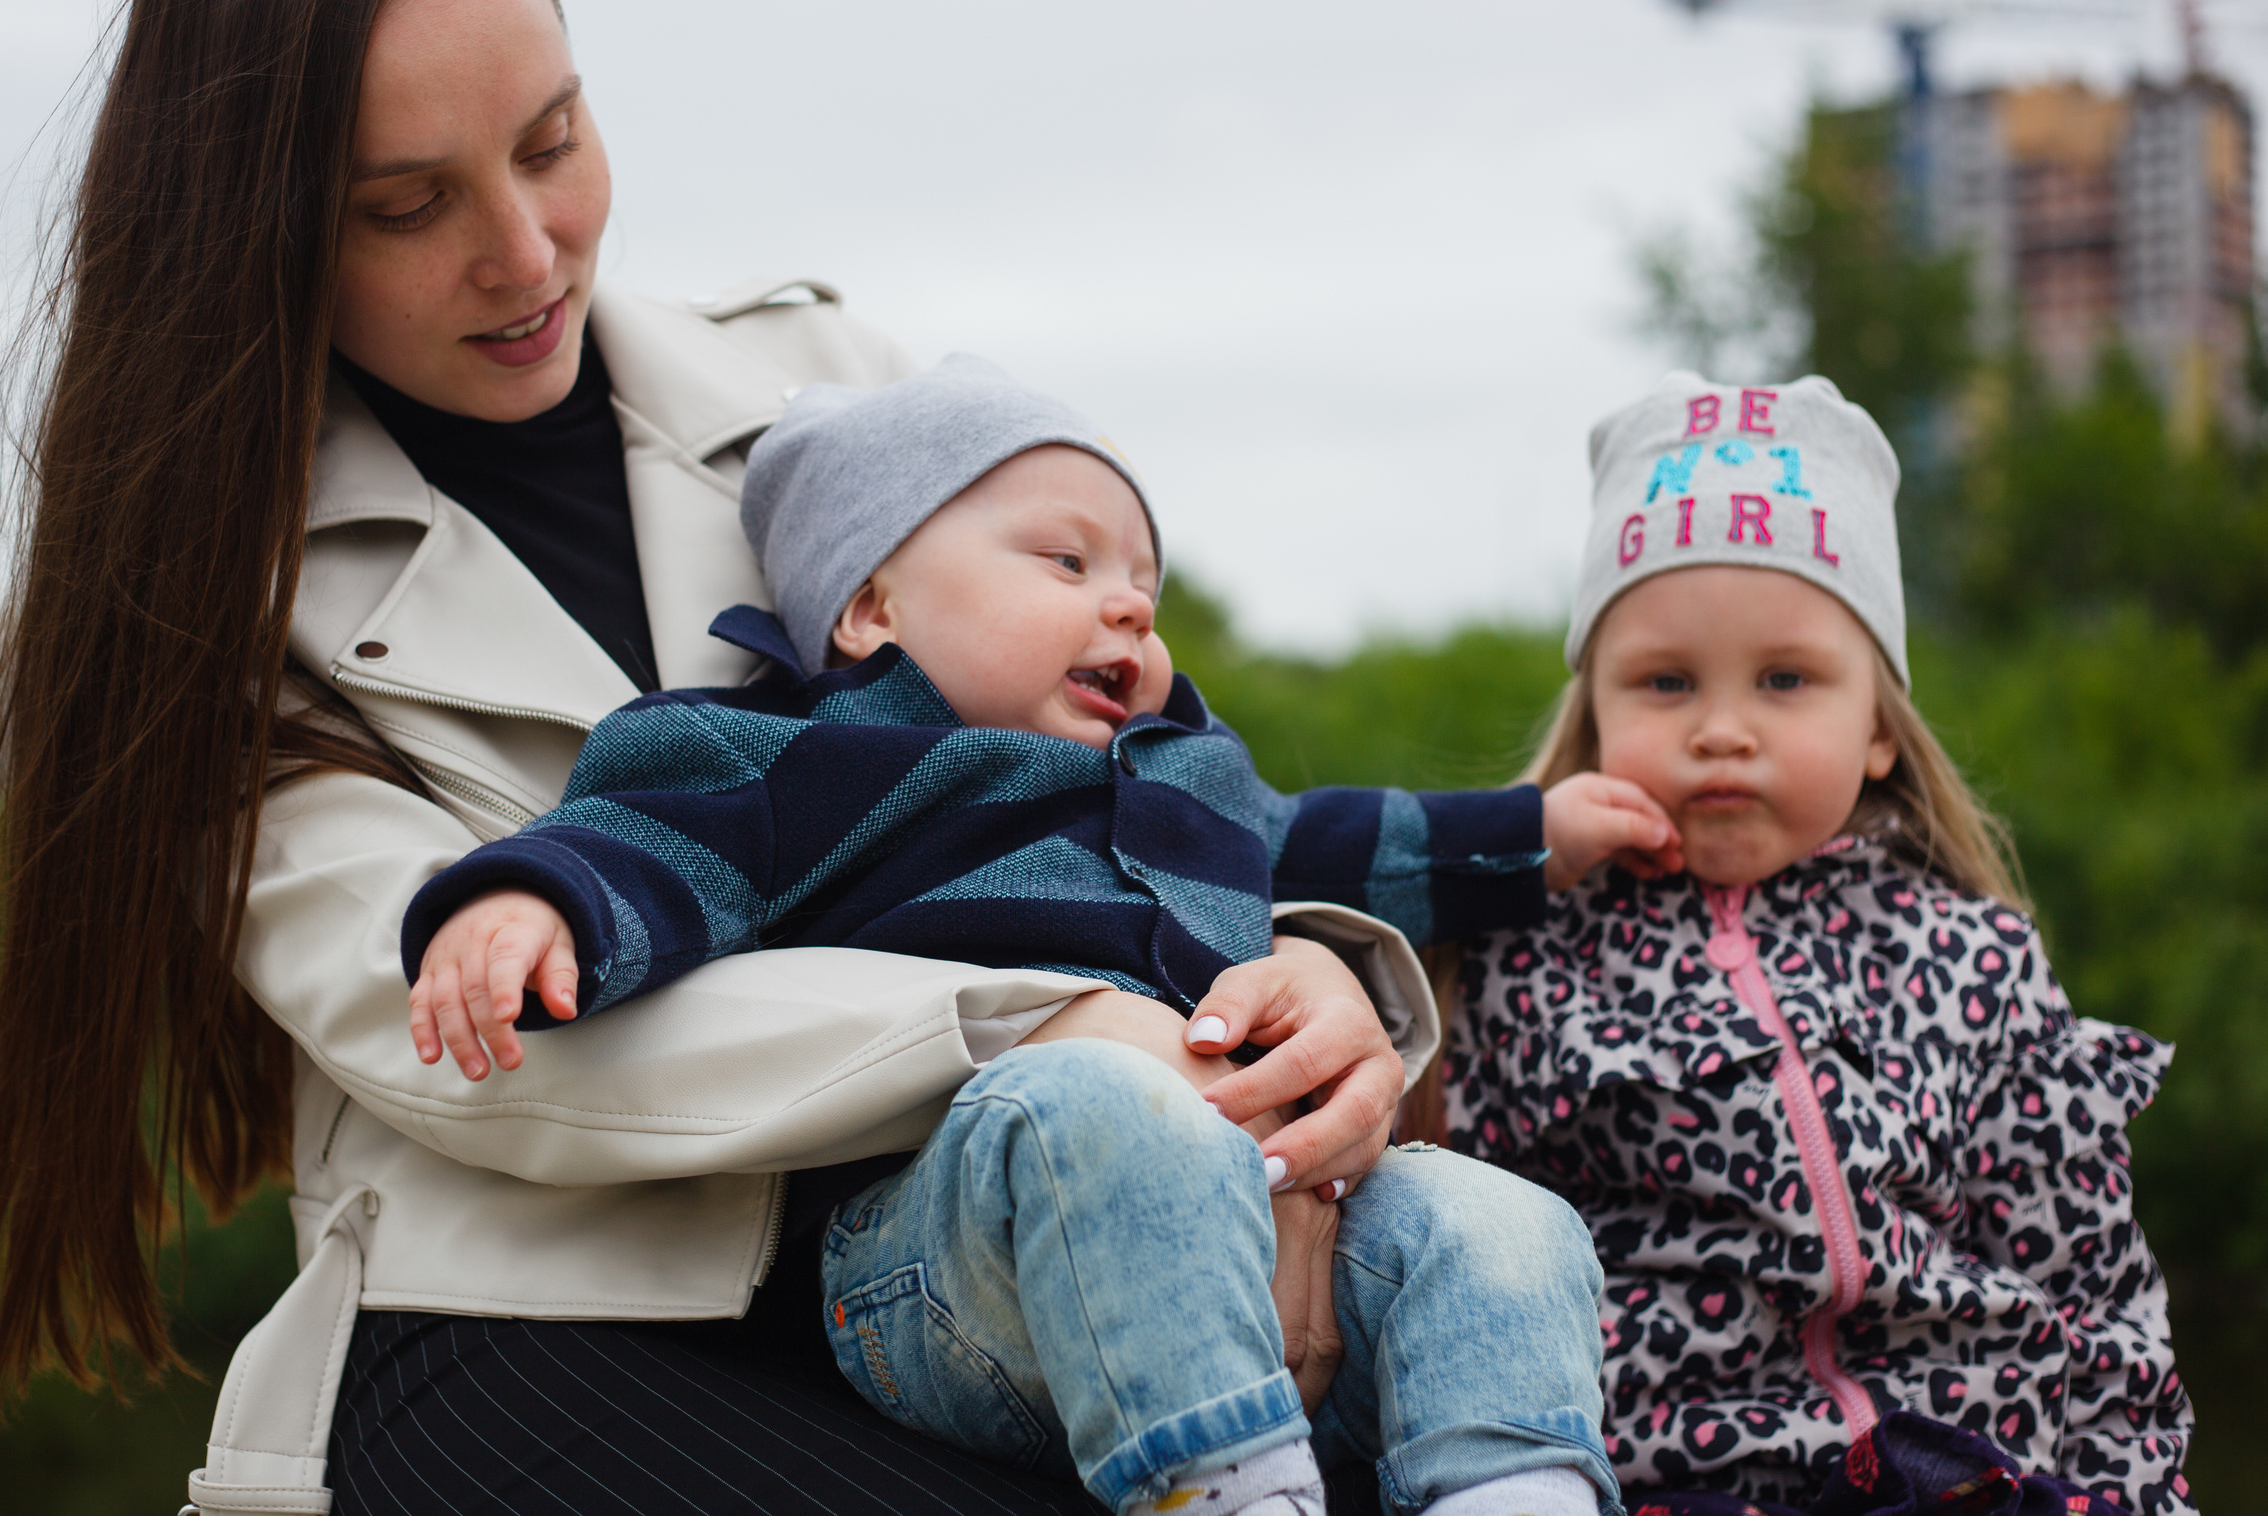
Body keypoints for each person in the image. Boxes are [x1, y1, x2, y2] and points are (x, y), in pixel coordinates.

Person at [0, 0, 1598, 1515]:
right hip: (537, 1305)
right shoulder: (219, 620)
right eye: (407, 205)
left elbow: (1126, 781)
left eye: (552, 140)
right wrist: (1061, 1024)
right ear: (256, 236)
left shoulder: (837, 397)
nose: (524, 249)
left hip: (986, 1218)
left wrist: (1303, 1003)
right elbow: (488, 1056)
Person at [401, 362, 1662, 1515]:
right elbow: (657, 836)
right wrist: (532, 900)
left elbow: (1331, 843)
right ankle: (1229, 1495)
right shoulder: (813, 757)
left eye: (1144, 588)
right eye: (1066, 564)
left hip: (1248, 1232)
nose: (1126, 606)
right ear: (871, 606)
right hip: (945, 1260)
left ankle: (1510, 1491)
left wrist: (1524, 837)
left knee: (1494, 1220)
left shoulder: (1189, 780)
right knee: (1098, 1104)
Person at [1434, 374, 2193, 1514]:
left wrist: (2133, 1491)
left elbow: (2085, 1272)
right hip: (1667, 1474)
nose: (1723, 727)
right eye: (1665, 682)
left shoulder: (1970, 957)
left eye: (1785, 680)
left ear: (1879, 728)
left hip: (1967, 1463)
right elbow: (1467, 1261)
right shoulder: (1525, 959)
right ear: (1594, 712)